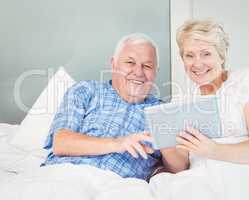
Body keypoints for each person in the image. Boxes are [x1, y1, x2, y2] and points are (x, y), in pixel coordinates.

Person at [42, 33, 164, 181]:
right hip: (65, 176)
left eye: (147, 66)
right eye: (130, 63)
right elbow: (61, 143)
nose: (138, 72)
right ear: (113, 64)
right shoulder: (86, 91)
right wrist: (118, 143)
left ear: (155, 72)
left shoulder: (163, 112)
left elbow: (175, 168)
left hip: (117, 187)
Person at [163, 19, 249, 168]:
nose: (197, 63)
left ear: (221, 56)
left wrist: (213, 150)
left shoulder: (247, 79)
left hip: (246, 170)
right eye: (189, 55)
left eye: (206, 54)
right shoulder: (181, 100)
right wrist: (165, 146)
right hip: (200, 176)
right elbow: (179, 168)